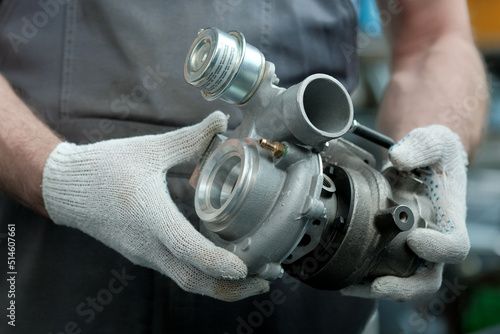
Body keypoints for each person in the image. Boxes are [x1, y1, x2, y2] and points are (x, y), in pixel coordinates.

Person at [0, 0, 487, 333]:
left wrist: (428, 169)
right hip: (51, 262)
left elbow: (434, 37)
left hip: (307, 286)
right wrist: (58, 177)